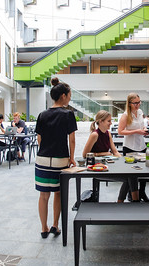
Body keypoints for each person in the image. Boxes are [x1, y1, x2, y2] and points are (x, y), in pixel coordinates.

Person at [35, 77, 77, 239]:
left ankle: (44, 228)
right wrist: (72, 158)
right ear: (63, 96)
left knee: (43, 195)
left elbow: (39, 138)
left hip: (42, 159)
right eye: (69, 95)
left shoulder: (42, 114)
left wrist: (45, 151)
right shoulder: (68, 114)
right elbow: (71, 140)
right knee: (58, 193)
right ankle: (55, 225)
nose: (70, 98)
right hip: (61, 159)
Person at [82, 110, 139, 202]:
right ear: (101, 121)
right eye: (108, 121)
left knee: (132, 175)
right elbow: (85, 154)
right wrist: (102, 154)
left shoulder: (108, 133)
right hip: (99, 169)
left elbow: (114, 151)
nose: (111, 123)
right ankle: (132, 202)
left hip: (109, 166)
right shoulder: (94, 135)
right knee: (131, 177)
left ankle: (123, 202)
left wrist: (123, 160)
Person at [118, 93, 149, 202]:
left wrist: (144, 129)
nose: (137, 105)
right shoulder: (125, 115)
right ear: (129, 103)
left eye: (139, 102)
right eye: (135, 103)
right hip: (129, 147)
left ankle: (142, 193)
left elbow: (141, 125)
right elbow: (120, 131)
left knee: (144, 171)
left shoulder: (140, 112)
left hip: (141, 145)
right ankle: (132, 196)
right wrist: (137, 131)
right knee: (132, 173)